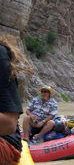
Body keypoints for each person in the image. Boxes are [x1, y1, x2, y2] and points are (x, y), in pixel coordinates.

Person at [0, 34, 34, 164]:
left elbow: (9, 123)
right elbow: (29, 111)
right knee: (27, 118)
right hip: (33, 120)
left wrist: (41, 120)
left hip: (5, 138)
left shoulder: (0, 55)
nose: (43, 94)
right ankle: (28, 137)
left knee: (50, 123)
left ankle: (28, 138)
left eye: (45, 92)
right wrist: (32, 115)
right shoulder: (35, 102)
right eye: (42, 92)